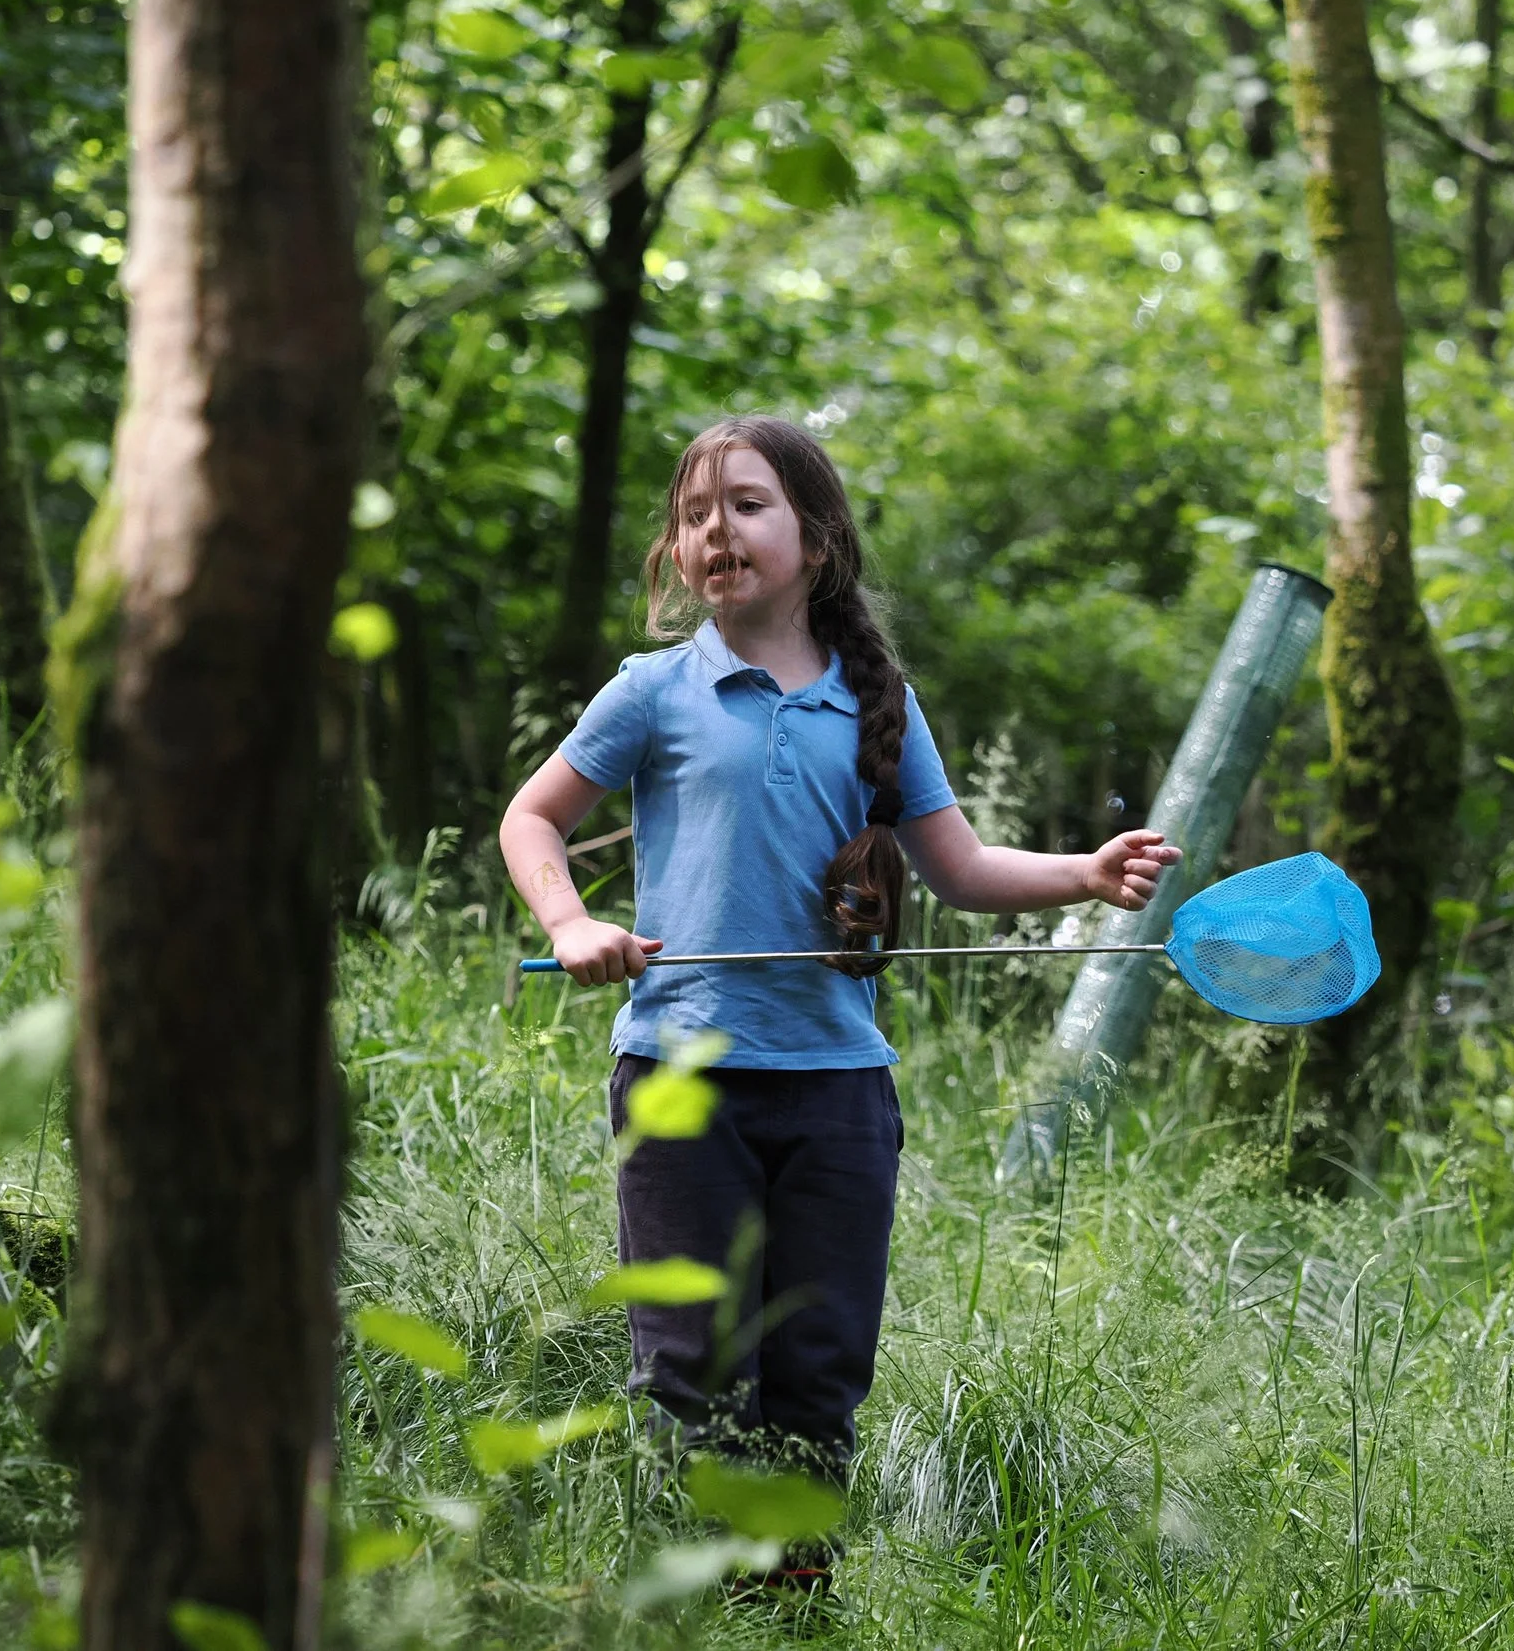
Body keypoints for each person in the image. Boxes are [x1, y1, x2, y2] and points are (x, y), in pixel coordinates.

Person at [499, 415, 1177, 1572]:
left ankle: (795, 1607)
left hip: (836, 1096)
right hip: (678, 1079)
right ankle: (690, 1600)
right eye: (695, 513)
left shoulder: (880, 706)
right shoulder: (655, 691)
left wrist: (1082, 871)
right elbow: (531, 818)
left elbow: (959, 869)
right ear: (674, 553)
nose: (718, 529)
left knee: (816, 1369)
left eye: (748, 505)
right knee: (691, 1369)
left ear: (814, 540)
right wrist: (572, 925)